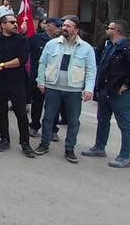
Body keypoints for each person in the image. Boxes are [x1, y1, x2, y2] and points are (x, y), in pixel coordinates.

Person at [82, 20, 130, 168]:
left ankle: (125, 156)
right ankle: (99, 147)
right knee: (102, 120)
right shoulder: (110, 45)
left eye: (109, 28)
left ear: (116, 30)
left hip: (120, 93)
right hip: (106, 90)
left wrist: (126, 85)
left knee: (124, 124)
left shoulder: (128, 47)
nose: (106, 30)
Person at [33, 17, 96, 163]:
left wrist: (89, 89)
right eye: (64, 25)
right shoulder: (52, 44)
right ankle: (44, 144)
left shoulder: (86, 48)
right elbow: (42, 64)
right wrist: (41, 81)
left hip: (74, 90)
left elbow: (91, 70)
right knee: (48, 117)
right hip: (52, 87)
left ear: (76, 29)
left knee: (73, 121)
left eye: (68, 26)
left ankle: (69, 149)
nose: (64, 28)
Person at [0, 15, 35, 158]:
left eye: (16, 22)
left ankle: (25, 143)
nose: (15, 24)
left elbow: (21, 60)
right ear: (3, 25)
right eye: (12, 22)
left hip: (17, 82)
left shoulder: (21, 40)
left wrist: (2, 65)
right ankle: (4, 139)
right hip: (0, 82)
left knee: (21, 113)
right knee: (1, 112)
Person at [28, 18, 61, 137]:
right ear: (48, 26)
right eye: (56, 26)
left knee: (54, 105)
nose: (59, 28)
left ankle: (52, 129)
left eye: (60, 26)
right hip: (39, 76)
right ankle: (34, 126)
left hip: (55, 77)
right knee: (37, 103)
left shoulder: (62, 40)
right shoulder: (36, 38)